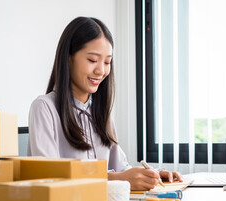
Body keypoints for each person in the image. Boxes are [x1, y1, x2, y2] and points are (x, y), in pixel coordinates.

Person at [27, 16, 182, 190]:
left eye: (107, 62)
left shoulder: (100, 113)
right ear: (68, 58)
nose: (101, 71)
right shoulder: (44, 108)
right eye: (92, 60)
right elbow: (51, 178)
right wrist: (117, 179)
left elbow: (122, 168)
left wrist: (150, 175)